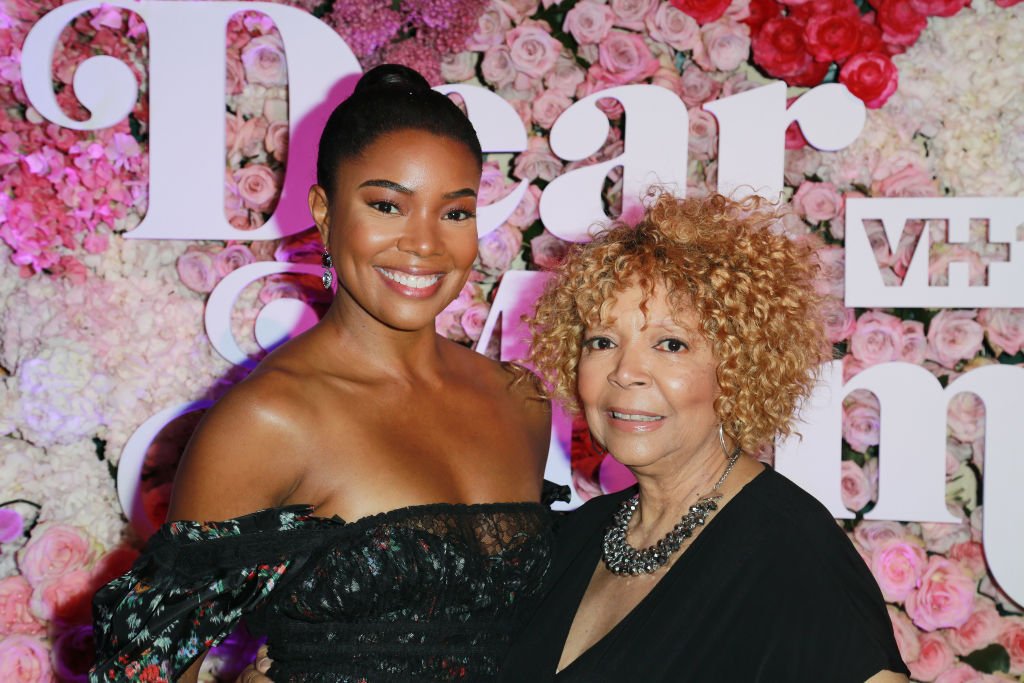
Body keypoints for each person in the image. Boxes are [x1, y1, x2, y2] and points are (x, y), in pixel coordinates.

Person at [90, 64, 561, 683]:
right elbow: (144, 667)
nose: (424, 244)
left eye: (454, 213)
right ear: (324, 213)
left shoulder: (518, 400)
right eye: (387, 205)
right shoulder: (269, 420)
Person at [497, 192, 910, 682]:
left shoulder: (791, 554)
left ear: (738, 369)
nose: (626, 372)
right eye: (602, 342)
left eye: (671, 344)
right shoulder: (577, 538)